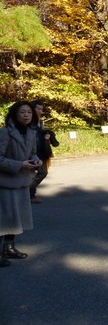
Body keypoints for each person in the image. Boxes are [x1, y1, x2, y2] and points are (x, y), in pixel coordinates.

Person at [0, 101, 42, 268]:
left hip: (22, 181)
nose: (26, 115)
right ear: (14, 115)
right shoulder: (5, 133)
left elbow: (33, 153)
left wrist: (36, 161)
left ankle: (9, 248)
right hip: (5, 182)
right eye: (22, 112)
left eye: (29, 112)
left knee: (16, 218)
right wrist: (19, 165)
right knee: (3, 218)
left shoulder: (32, 132)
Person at [29, 100, 60, 204]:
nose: (40, 111)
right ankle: (29, 194)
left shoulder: (39, 121)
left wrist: (46, 137)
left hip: (40, 150)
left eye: (41, 109)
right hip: (32, 151)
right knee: (42, 172)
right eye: (38, 108)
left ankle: (29, 193)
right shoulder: (29, 122)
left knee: (37, 172)